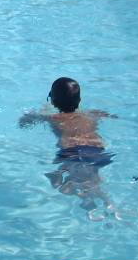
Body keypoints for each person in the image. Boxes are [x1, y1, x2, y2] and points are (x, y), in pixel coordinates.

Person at [18, 78, 117, 220]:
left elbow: (24, 122)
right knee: (93, 178)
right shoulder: (92, 114)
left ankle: (89, 206)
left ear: (53, 100)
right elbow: (112, 116)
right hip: (97, 151)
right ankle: (110, 203)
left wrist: (35, 112)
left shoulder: (54, 118)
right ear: (80, 99)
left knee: (74, 180)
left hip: (72, 152)